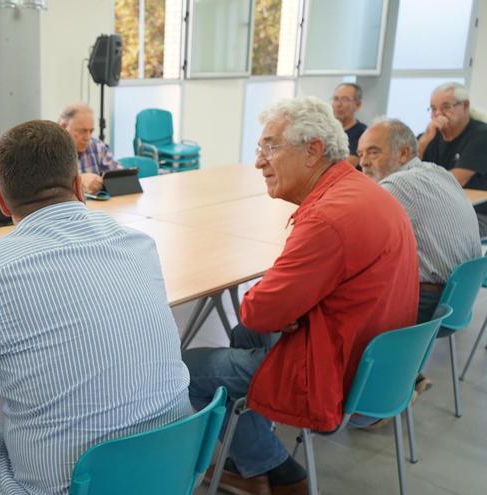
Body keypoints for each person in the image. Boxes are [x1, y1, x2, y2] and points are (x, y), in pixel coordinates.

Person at [0, 120, 191, 494]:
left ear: (2, 202)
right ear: (78, 187)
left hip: (71, 486)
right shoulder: (139, 244)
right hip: (170, 468)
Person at [186, 97, 419, 495]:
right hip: (375, 363)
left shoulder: (329, 217)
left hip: (331, 372)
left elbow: (259, 311)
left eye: (270, 147)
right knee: (244, 338)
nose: (260, 161)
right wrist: (287, 303)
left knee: (189, 365)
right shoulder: (362, 192)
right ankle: (253, 458)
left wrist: (276, 303)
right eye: (260, 149)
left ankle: (275, 472)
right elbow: (268, 314)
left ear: (312, 151)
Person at [360, 118, 480, 323]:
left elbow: (353, 239)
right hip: (459, 301)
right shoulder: (439, 172)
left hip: (427, 305)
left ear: (404, 153)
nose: (363, 162)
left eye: (373, 152)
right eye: (361, 154)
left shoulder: (396, 185)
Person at [417, 82, 487, 234]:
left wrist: (418, 184)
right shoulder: (430, 136)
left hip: (477, 213)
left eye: (446, 107)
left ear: (465, 106)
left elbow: (456, 180)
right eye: (433, 109)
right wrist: (423, 143)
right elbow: (403, 169)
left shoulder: (482, 135)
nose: (438, 114)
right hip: (438, 209)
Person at [58, 102, 121, 194]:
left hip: (96, 206)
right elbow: (45, 189)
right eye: (82, 131)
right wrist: (76, 182)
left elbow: (120, 176)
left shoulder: (96, 146)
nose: (87, 137)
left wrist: (103, 181)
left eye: (91, 131)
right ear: (63, 127)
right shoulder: (48, 151)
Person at [331, 83, 367, 169]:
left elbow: (346, 165)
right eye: (336, 99)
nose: (338, 104)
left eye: (345, 100)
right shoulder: (326, 130)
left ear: (358, 105)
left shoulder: (363, 134)